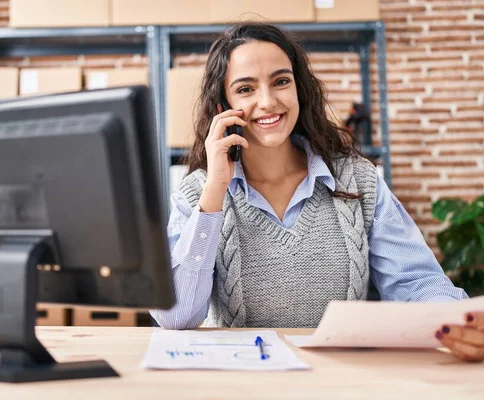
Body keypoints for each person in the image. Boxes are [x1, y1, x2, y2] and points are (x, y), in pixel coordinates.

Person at [150, 23, 484, 362]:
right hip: (245, 383)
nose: (267, 102)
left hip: (345, 380)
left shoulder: (358, 181)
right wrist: (216, 187)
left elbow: (416, 282)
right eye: (246, 89)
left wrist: (461, 321)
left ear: (300, 89)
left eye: (281, 81)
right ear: (224, 105)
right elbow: (177, 316)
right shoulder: (198, 194)